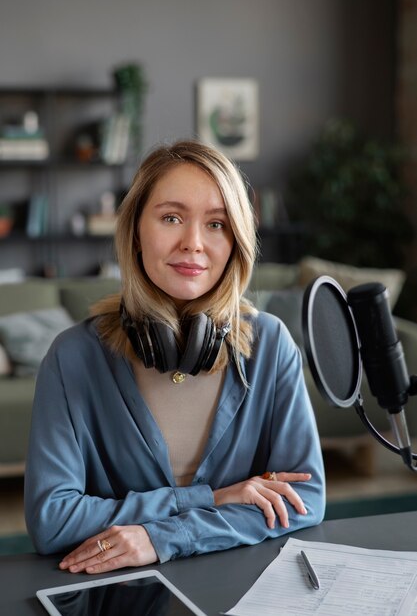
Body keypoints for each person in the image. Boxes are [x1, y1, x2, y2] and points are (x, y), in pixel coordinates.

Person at [24, 139, 325, 575]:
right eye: (171, 218)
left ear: (236, 240)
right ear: (135, 233)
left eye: (217, 224)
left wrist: (162, 537)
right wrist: (211, 498)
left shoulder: (271, 345)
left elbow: (305, 500)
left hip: (239, 585)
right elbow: (52, 520)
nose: (193, 243)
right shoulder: (73, 357)